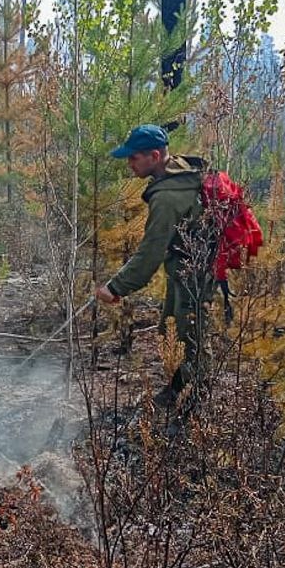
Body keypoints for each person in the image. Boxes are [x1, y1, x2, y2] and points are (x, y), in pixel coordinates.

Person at [95, 123, 214, 412]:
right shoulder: (181, 173)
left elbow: (151, 253)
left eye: (135, 157)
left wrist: (115, 288)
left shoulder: (166, 198)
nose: (129, 163)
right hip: (186, 271)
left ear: (156, 155)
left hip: (194, 275)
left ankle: (193, 408)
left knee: (190, 336)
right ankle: (177, 391)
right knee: (170, 329)